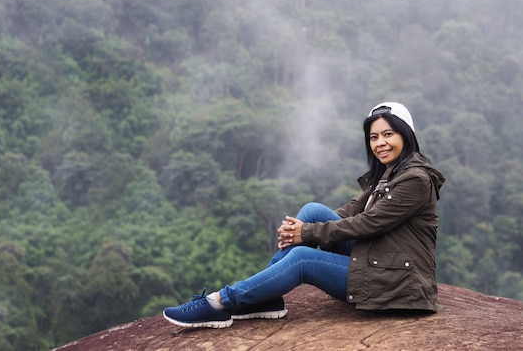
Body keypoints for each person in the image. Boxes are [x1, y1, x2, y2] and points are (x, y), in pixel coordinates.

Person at [163, 102, 445, 328]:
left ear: (405, 135)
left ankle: (223, 302)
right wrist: (306, 228)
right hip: (379, 258)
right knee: (311, 211)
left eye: (388, 134)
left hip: (396, 281)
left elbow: (369, 224)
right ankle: (266, 298)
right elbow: (352, 210)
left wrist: (307, 235)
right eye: (374, 137)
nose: (380, 143)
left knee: (303, 259)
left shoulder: (415, 180)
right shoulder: (390, 172)